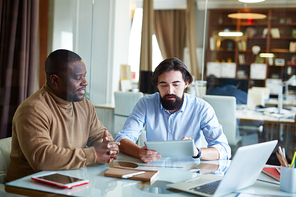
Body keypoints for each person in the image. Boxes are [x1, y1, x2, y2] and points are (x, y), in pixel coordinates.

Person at [7, 49, 120, 181]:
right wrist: (92, 154)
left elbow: (100, 135)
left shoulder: (85, 105)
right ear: (55, 80)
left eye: (84, 76)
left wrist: (107, 147)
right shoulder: (33, 109)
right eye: (78, 78)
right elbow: (42, 158)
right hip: (30, 189)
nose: (85, 82)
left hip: (71, 183)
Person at [115, 57, 231, 163]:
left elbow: (224, 149)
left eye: (176, 85)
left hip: (189, 176)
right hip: (154, 173)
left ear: (186, 83)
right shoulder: (145, 104)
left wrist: (196, 151)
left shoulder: (202, 109)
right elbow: (122, 138)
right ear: (157, 85)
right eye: (164, 85)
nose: (170, 91)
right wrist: (139, 152)